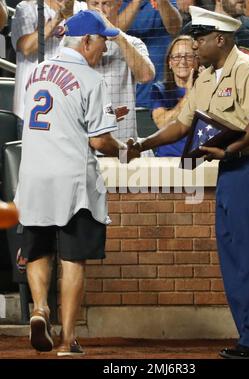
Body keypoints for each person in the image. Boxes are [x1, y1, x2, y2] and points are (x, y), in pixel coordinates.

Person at [129, 6, 249, 359]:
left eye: (199, 39)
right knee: (233, 259)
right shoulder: (204, 77)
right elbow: (183, 124)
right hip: (229, 171)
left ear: (220, 38)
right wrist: (142, 144)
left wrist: (231, 148)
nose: (194, 46)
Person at [14, 10, 139, 356]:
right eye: (102, 41)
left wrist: (105, 115)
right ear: (85, 41)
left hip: (33, 176)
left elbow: (56, 116)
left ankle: (40, 309)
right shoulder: (91, 78)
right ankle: (68, 342)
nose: (104, 49)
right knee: (72, 259)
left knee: (38, 249)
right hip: (73, 182)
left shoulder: (37, 71)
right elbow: (100, 142)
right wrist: (124, 150)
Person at [11, 0, 87, 138]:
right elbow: (27, 48)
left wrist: (69, 17)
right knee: (32, 159)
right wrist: (58, 18)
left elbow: (88, 51)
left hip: (68, 112)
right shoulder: (27, 8)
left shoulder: (82, 8)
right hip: (31, 113)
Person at [86, 0, 155, 144]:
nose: (100, 10)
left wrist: (118, 37)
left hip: (122, 141)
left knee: (125, 166)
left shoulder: (133, 43)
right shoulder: (76, 43)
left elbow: (146, 76)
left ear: (118, 5)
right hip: (85, 141)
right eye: (95, 4)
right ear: (87, 5)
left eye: (106, 4)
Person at [118, 0, 182, 108]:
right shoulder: (114, 2)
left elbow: (175, 28)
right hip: (127, 96)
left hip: (161, 93)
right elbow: (115, 30)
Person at [150, 35, 200, 156]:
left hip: (198, 159)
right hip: (167, 160)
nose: (182, 61)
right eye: (177, 56)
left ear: (197, 60)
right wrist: (188, 95)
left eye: (188, 56)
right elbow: (162, 124)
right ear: (170, 62)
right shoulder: (159, 90)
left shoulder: (208, 87)